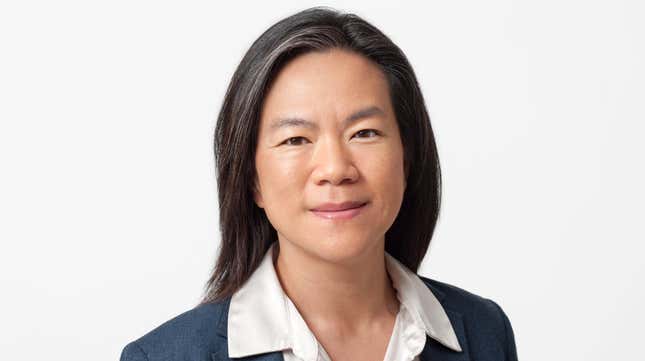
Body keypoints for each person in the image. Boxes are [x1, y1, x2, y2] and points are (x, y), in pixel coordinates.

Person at [120, 6, 518, 361]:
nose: (335, 168)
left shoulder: (484, 332)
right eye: (296, 139)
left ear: (407, 158)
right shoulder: (163, 356)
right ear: (251, 180)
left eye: (364, 133)